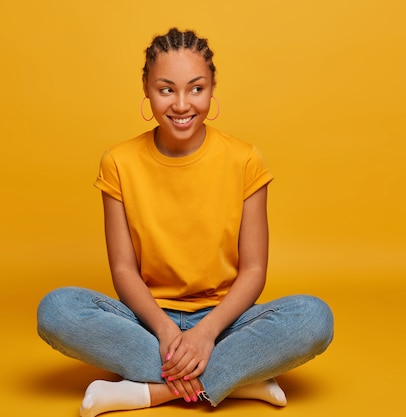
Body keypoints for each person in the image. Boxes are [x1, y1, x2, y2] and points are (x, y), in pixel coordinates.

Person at [36, 27, 334, 417]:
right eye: (166, 89)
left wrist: (207, 334)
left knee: (313, 318)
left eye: (196, 89)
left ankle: (148, 393)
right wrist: (165, 332)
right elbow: (124, 270)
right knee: (56, 309)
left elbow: (254, 269)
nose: (181, 104)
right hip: (147, 321)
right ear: (146, 88)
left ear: (212, 89)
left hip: (225, 320)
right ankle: (238, 378)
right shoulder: (119, 163)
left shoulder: (244, 160)